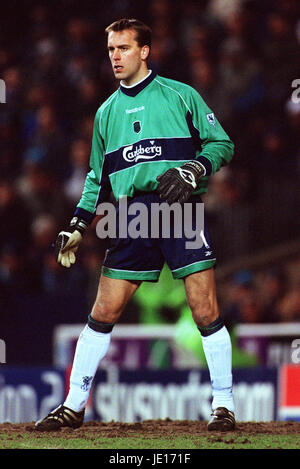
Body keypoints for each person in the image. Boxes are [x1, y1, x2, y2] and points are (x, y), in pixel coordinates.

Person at [35, 18, 235, 432]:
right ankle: (73, 405)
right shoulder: (106, 113)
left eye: (123, 48)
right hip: (130, 215)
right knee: (103, 310)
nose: (115, 57)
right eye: (111, 50)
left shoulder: (181, 95)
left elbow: (222, 144)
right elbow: (96, 178)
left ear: (144, 51)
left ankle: (224, 405)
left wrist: (195, 168)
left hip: (180, 209)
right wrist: (78, 224)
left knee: (204, 309)